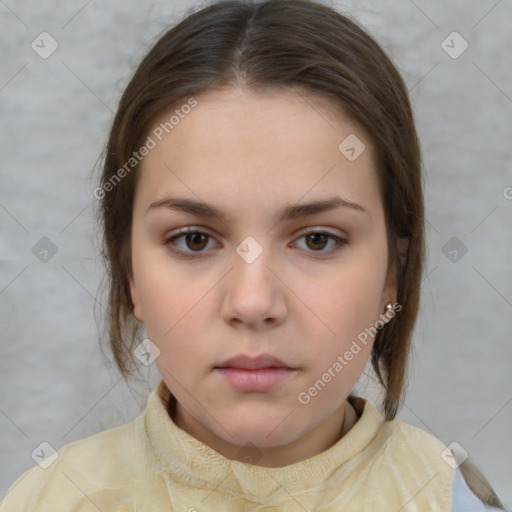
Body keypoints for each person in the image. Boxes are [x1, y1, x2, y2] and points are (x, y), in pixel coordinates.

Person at [1, 0, 506, 510]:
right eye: (194, 240)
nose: (252, 301)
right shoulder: (49, 499)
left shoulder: (448, 499)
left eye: (317, 240)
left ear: (392, 276)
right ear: (131, 273)